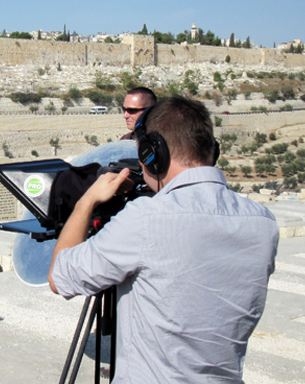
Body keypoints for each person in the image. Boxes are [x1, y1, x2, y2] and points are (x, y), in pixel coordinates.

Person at [49, 96, 278, 383]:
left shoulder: (145, 218)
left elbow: (60, 277)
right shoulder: (263, 222)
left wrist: (88, 200)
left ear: (152, 153)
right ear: (212, 150)